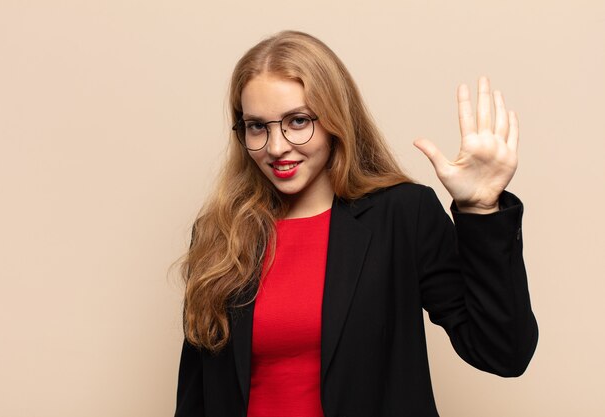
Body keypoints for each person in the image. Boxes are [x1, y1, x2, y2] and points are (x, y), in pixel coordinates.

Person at [174, 30, 538, 417]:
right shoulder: (221, 231)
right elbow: (197, 393)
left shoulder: (401, 215)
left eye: (297, 121)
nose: (276, 147)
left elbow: (504, 352)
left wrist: (482, 211)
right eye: (257, 126)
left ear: (334, 118)